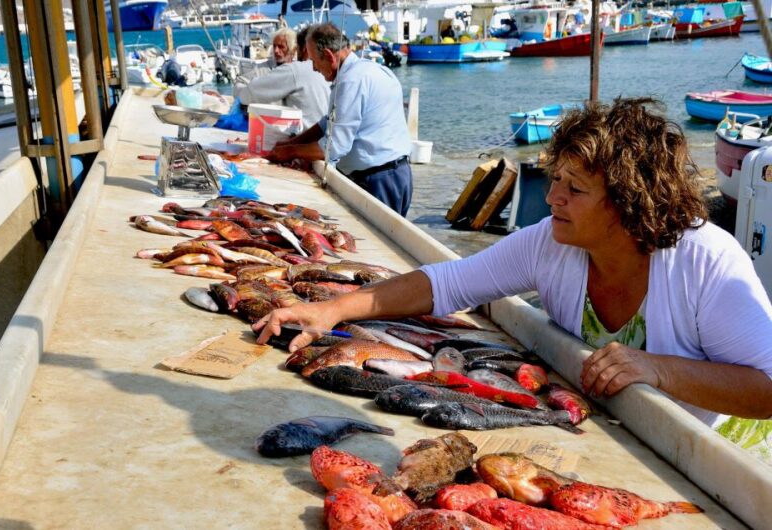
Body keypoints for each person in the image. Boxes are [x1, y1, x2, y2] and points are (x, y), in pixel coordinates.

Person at [254, 98, 772, 427]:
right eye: (555, 182)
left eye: (575, 189)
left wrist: (657, 370)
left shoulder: (704, 262)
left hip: (709, 450)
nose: (552, 200)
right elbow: (446, 284)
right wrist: (334, 310)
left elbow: (766, 390)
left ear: (627, 200)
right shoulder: (551, 242)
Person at [266, 23, 413, 217]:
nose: (314, 68)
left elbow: (333, 147)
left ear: (328, 55)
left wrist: (290, 152)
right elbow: (327, 122)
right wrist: (291, 142)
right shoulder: (371, 70)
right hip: (397, 174)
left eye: (314, 61)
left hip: (381, 179)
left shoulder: (351, 81)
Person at [236, 26, 331, 129]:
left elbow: (249, 93)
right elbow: (242, 86)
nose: (276, 51)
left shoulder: (294, 70)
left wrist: (246, 97)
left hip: (301, 133)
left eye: (281, 47)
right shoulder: (323, 71)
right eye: (274, 46)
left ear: (294, 49)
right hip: (319, 132)